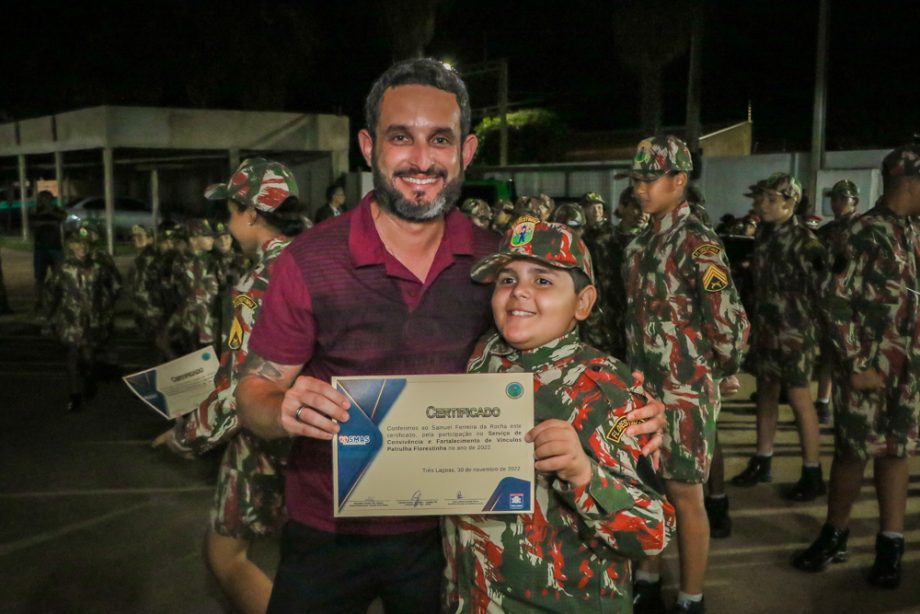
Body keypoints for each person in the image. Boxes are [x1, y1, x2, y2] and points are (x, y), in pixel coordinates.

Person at [234, 58, 666, 613]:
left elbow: (559, 359)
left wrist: (632, 413)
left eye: (440, 139)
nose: (421, 159)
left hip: (448, 537)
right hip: (329, 530)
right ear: (368, 147)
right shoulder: (307, 260)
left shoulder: (496, 263)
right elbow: (254, 394)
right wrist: (281, 407)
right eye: (400, 137)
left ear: (466, 151)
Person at [443, 217, 676, 611]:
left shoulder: (606, 391)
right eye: (507, 279)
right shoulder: (485, 354)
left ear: (582, 303)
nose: (519, 291)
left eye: (543, 280)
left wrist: (583, 473)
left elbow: (654, 532)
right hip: (473, 596)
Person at [154, 158, 306, 614]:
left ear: (253, 214)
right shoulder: (316, 258)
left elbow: (239, 387)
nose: (227, 223)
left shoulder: (262, 280)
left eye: (230, 211)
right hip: (322, 431)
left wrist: (186, 436)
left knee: (225, 556)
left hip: (269, 435)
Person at [625, 135, 749, 614]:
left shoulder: (699, 242)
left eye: (649, 179)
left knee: (684, 492)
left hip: (685, 390)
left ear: (679, 179)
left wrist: (722, 369)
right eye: (636, 179)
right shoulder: (640, 243)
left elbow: (727, 318)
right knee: (646, 483)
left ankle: (690, 599)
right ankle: (647, 579)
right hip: (643, 386)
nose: (639, 188)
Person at [792, 145, 920, 588]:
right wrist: (855, 363)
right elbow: (833, 299)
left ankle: (890, 545)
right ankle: (836, 534)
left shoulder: (913, 232)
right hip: (869, 368)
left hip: (908, 370)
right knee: (852, 452)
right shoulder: (863, 232)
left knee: (897, 451)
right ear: (910, 183)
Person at [731, 173, 828, 502]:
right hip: (767, 331)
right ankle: (763, 459)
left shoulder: (805, 242)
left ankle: (812, 471)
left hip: (794, 334)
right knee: (766, 393)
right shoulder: (765, 236)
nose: (762, 205)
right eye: (760, 198)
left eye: (771, 199)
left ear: (791, 203)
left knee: (800, 399)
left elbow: (825, 288)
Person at [813, 179, 861, 424]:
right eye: (834, 198)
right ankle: (823, 401)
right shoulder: (826, 231)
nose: (837, 203)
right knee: (828, 354)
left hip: (851, 304)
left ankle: (850, 407)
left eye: (843, 198)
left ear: (855, 201)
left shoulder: (862, 229)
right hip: (827, 300)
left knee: (850, 357)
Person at [43, 228, 101, 412]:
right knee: (72, 356)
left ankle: (89, 377)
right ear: (71, 247)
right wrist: (49, 316)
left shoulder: (96, 267)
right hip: (70, 319)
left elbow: (106, 290)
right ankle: (74, 395)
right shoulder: (63, 268)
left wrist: (103, 313)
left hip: (90, 319)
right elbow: (51, 292)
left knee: (88, 356)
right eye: (77, 245)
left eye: (84, 245)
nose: (81, 248)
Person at [168, 219, 219, 354]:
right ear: (193, 240)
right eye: (206, 236)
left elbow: (214, 289)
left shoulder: (210, 261)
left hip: (207, 322)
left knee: (207, 356)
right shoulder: (180, 261)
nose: (212, 240)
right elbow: (174, 289)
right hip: (186, 321)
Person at [31, 190, 66, 311]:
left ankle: (59, 299)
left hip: (55, 247)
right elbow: (34, 223)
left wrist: (50, 212)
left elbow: (63, 217)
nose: (45, 201)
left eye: (48, 198)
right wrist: (50, 221)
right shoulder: (36, 210)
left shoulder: (56, 210)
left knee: (59, 275)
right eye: (43, 199)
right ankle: (38, 301)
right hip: (41, 248)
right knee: (39, 277)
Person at [128, 224, 160, 346]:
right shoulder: (140, 257)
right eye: (134, 237)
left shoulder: (152, 258)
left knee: (156, 340)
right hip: (142, 306)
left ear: (150, 239)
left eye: (140, 236)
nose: (136, 239)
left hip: (150, 307)